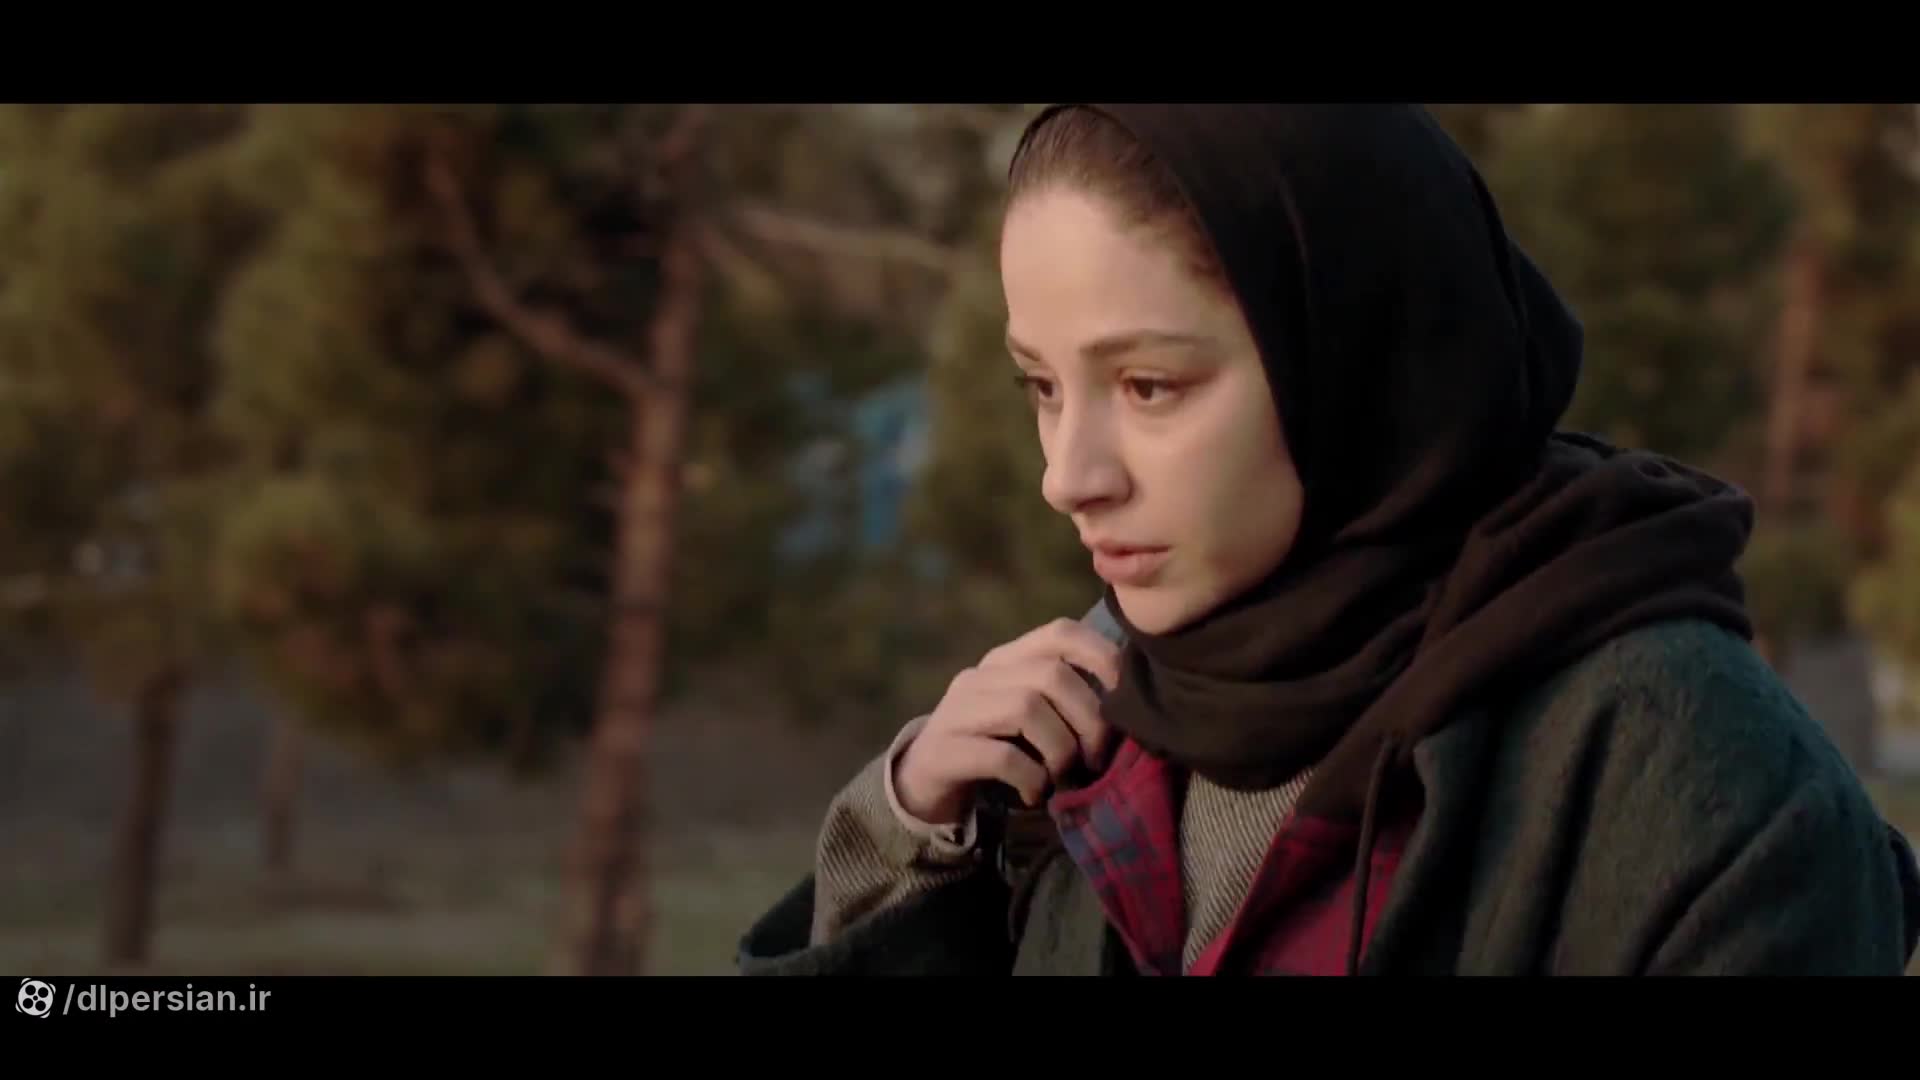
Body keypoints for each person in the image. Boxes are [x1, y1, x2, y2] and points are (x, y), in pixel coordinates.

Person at [736, 104, 1920, 975]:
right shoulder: (1082, 745)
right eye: (1042, 388)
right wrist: (911, 840)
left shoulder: (1704, 785)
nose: (1067, 477)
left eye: (1149, 386)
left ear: (1358, 368)